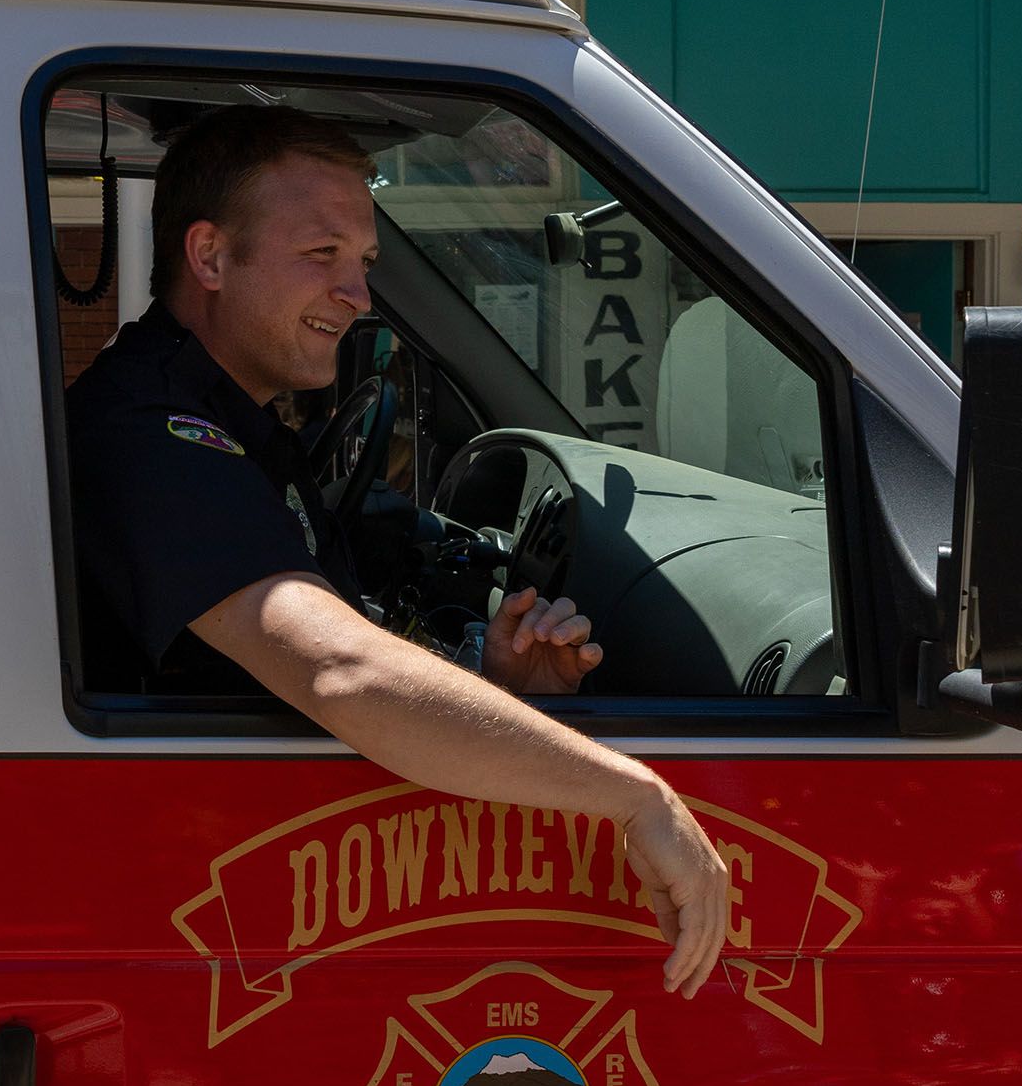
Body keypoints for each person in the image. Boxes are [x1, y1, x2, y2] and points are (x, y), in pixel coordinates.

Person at [67, 105, 734, 991]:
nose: (359, 296)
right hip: (185, 937)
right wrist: (631, 792)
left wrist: (498, 694)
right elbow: (341, 671)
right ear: (211, 258)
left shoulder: (241, 421)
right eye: (322, 257)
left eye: (365, 264)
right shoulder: (152, 435)